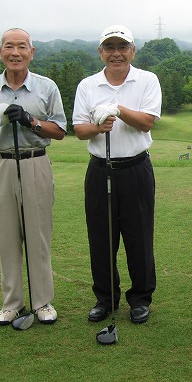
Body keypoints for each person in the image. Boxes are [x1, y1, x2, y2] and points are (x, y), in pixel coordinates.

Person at [0, 28, 67, 326]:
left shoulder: (47, 87)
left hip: (35, 162)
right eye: (9, 47)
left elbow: (60, 131)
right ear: (0, 51)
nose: (16, 52)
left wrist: (30, 120)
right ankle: (12, 303)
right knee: (6, 237)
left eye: (22, 47)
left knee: (38, 236)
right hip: (0, 165)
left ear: (31, 52)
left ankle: (42, 302)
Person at [72, 25, 161, 325]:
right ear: (101, 52)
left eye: (122, 47)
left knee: (139, 237)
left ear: (133, 51)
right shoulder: (88, 85)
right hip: (100, 169)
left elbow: (147, 122)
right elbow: (79, 129)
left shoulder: (147, 80)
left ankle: (140, 298)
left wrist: (118, 109)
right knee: (101, 237)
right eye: (109, 47)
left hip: (136, 169)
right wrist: (98, 127)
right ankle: (105, 298)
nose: (116, 53)